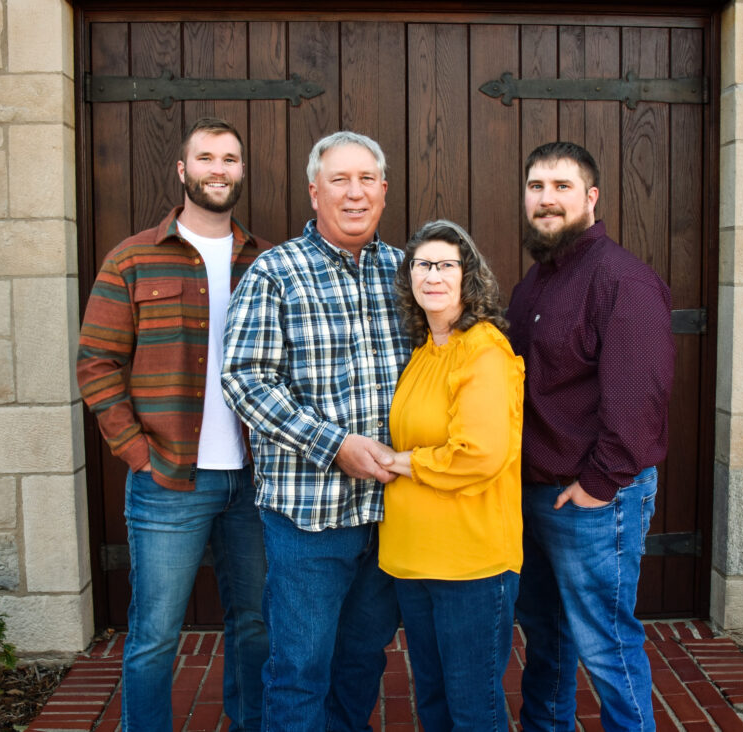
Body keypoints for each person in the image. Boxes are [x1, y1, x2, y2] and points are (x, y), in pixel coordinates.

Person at [76, 117, 269, 732]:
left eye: (231, 159)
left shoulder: (265, 261)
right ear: (183, 170)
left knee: (257, 625)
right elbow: (97, 362)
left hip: (256, 479)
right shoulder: (132, 258)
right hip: (166, 480)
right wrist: (135, 451)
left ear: (242, 172)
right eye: (207, 158)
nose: (219, 169)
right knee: (156, 633)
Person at [220, 131, 410, 731]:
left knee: (360, 661)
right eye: (339, 180)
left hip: (390, 514)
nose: (354, 194)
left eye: (366, 180)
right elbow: (244, 380)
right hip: (308, 518)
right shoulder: (276, 273)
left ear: (383, 190)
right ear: (314, 192)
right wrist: (337, 446)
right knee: (299, 668)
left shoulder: (408, 272)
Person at [508, 141, 675, 732]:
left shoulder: (621, 278)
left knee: (605, 644)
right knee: (547, 638)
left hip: (593, 498)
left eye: (561, 186)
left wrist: (597, 487)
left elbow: (641, 398)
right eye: (536, 187)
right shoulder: (536, 282)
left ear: (592, 197)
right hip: (535, 494)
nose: (546, 199)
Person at [378, 219, 524, 731]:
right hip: (414, 561)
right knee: (435, 702)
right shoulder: (423, 352)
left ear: (469, 277)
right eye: (422, 265)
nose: (432, 275)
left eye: (446, 265)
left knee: (473, 708)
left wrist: (401, 462)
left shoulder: (483, 350)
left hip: (471, 564)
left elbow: (480, 454)